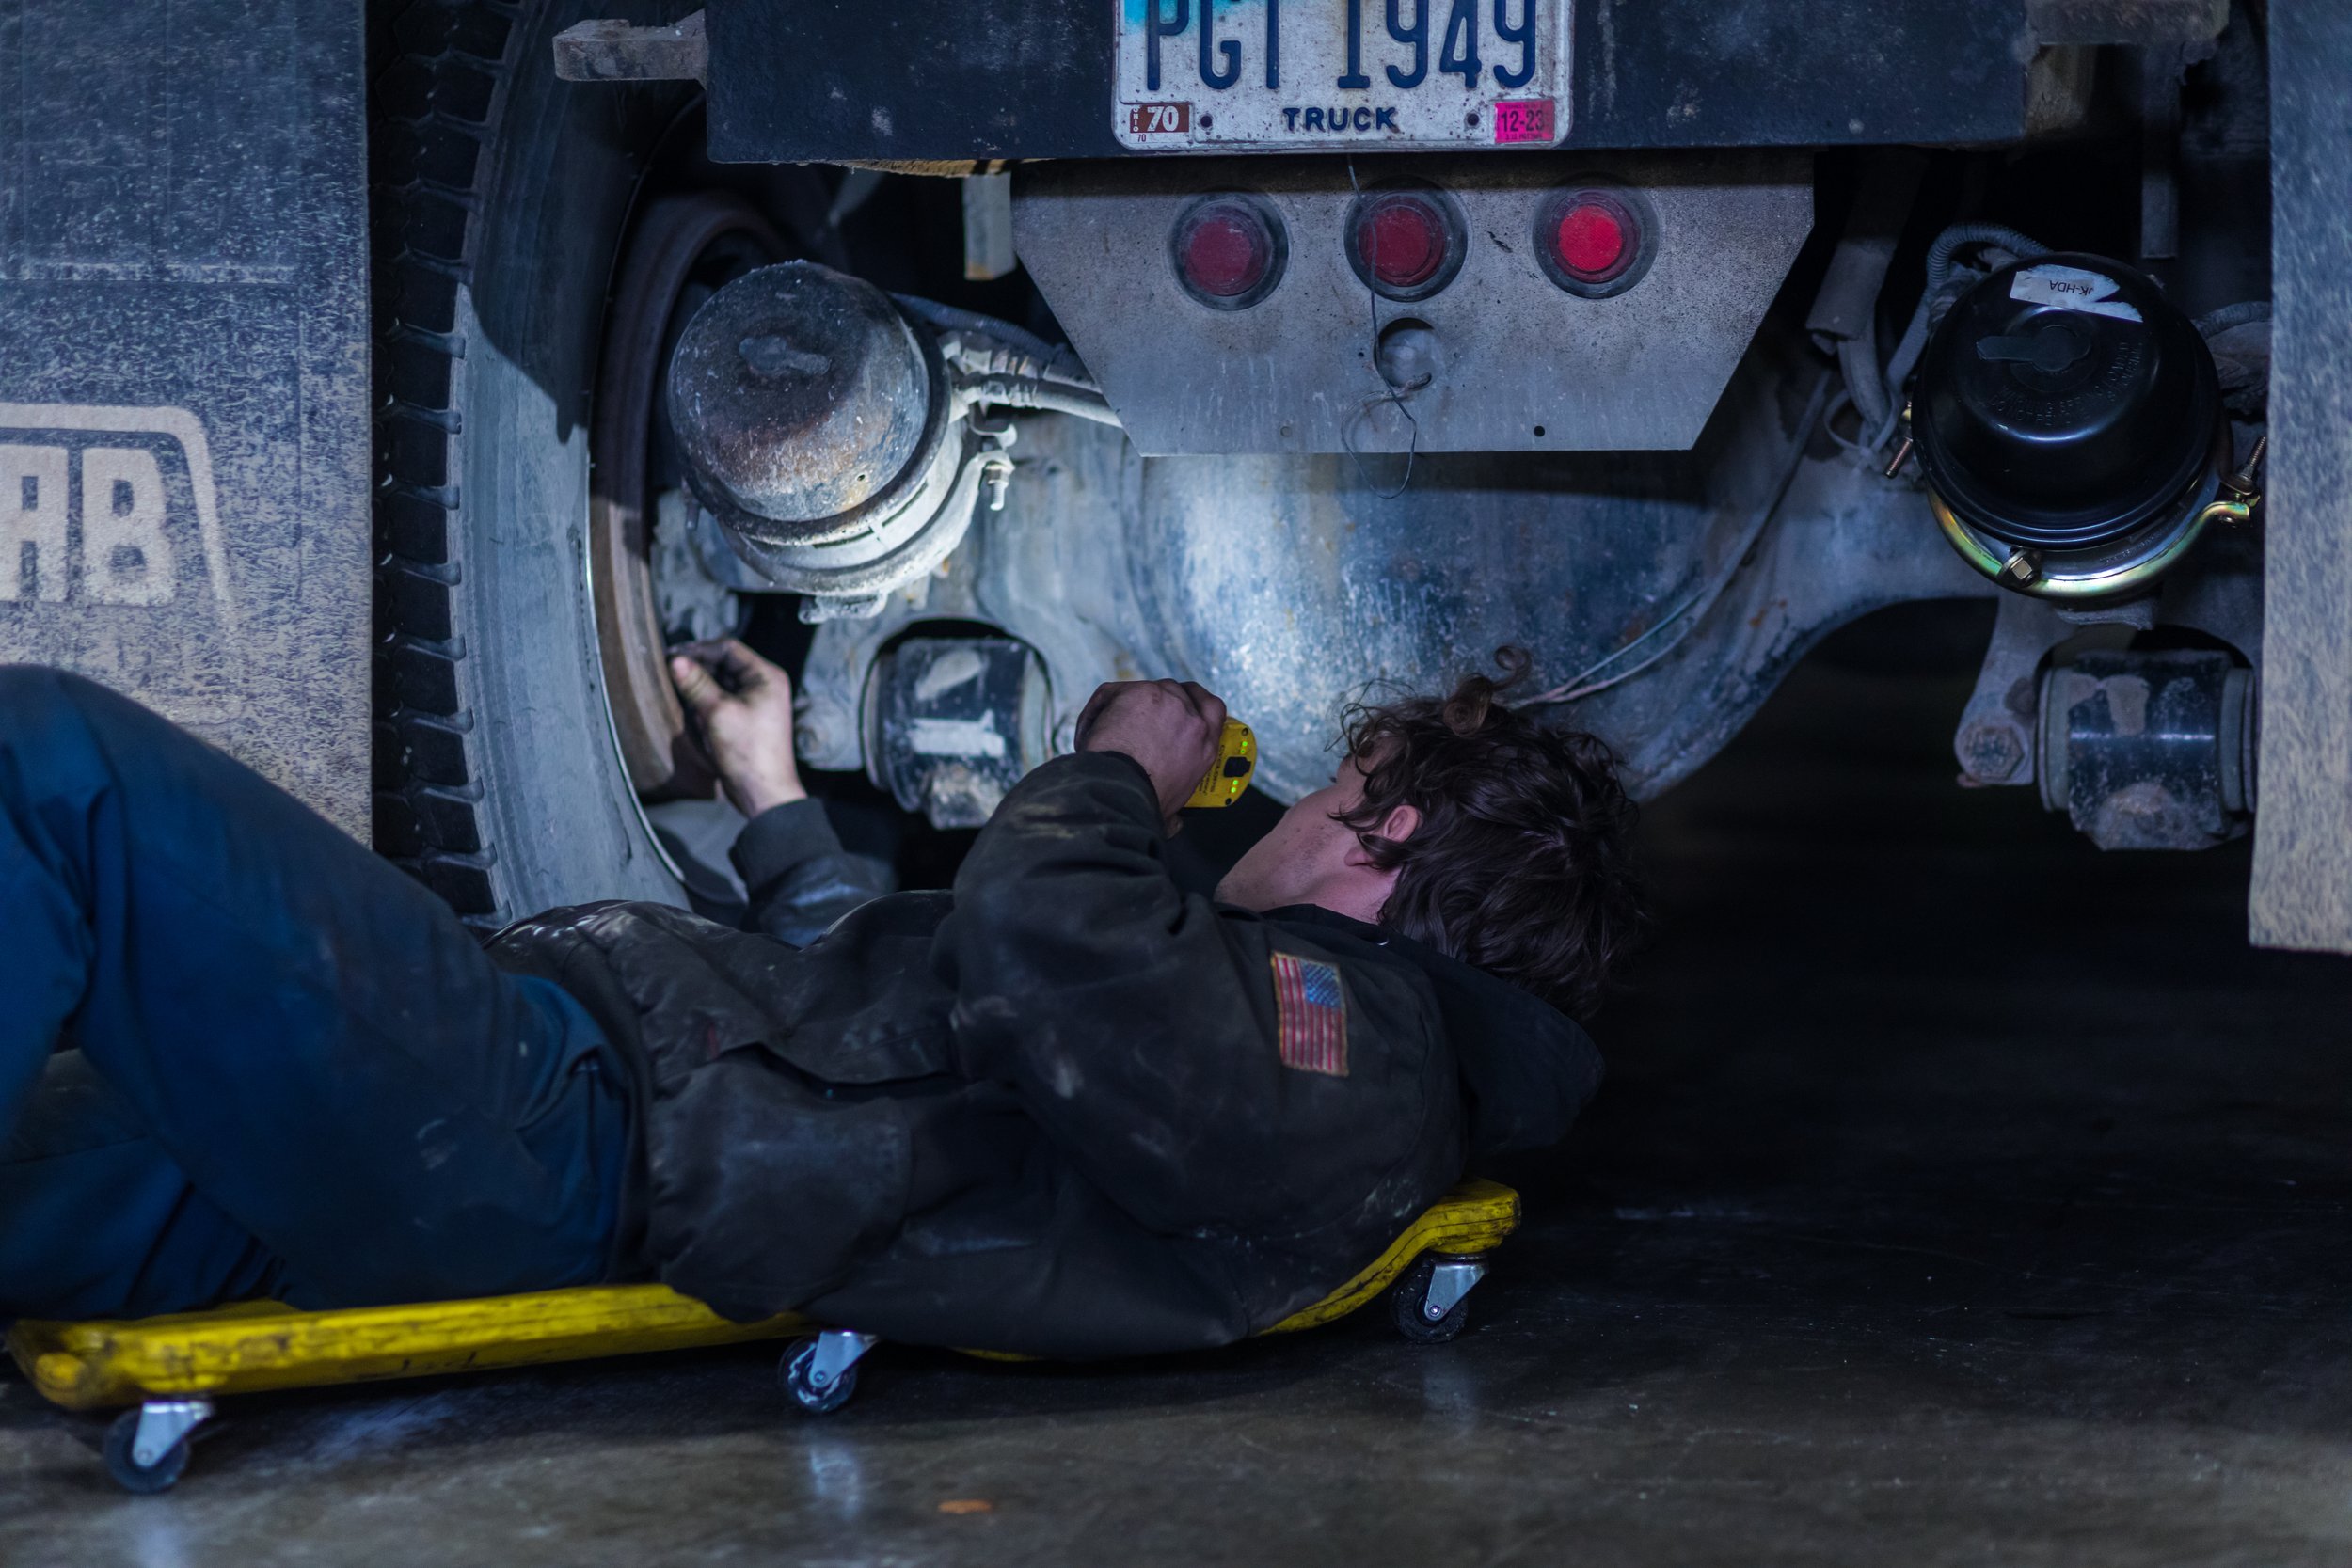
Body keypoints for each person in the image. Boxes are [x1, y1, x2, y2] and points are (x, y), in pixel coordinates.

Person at [0, 643, 1640, 1355]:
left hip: (568, 1131)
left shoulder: (1370, 1058)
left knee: (55, 769)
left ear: (1386, 831)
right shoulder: (1290, 1037)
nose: (1266, 816)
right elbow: (932, 1044)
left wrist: (1112, 778)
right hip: (582, 1117)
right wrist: (777, 801)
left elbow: (1059, 976)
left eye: (1315, 794)